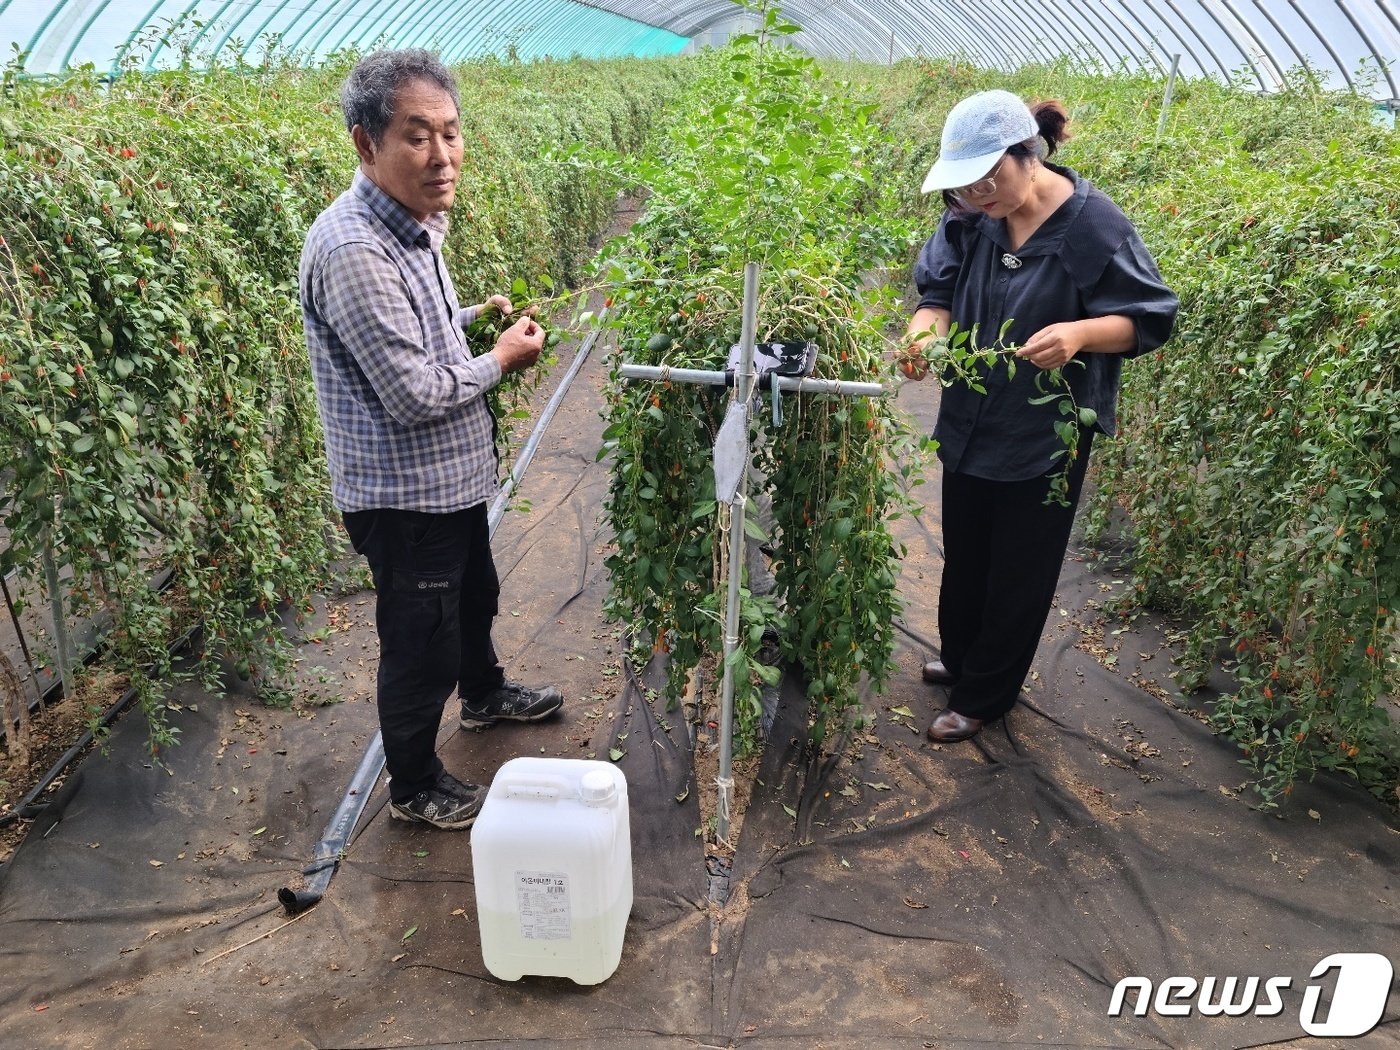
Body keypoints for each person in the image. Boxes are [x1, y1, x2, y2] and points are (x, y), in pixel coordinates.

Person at [300, 49, 563, 830]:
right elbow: (414, 392)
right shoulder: (355, 250)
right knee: (419, 643)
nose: (442, 155)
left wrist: (473, 324)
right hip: (404, 498)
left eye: (451, 132)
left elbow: (417, 340)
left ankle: (483, 697)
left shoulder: (414, 226)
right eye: (418, 136)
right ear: (365, 143)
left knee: (472, 599)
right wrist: (503, 359)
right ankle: (413, 785)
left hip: (449, 484)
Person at [902, 89, 1177, 743]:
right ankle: (964, 659)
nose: (977, 197)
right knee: (965, 550)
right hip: (972, 415)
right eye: (964, 187)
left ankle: (986, 695)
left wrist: (1080, 336)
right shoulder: (971, 217)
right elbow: (936, 292)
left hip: (1044, 431)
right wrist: (922, 331)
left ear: (1028, 154)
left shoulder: (1092, 228)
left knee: (1019, 566)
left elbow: (1150, 317)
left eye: (988, 180)